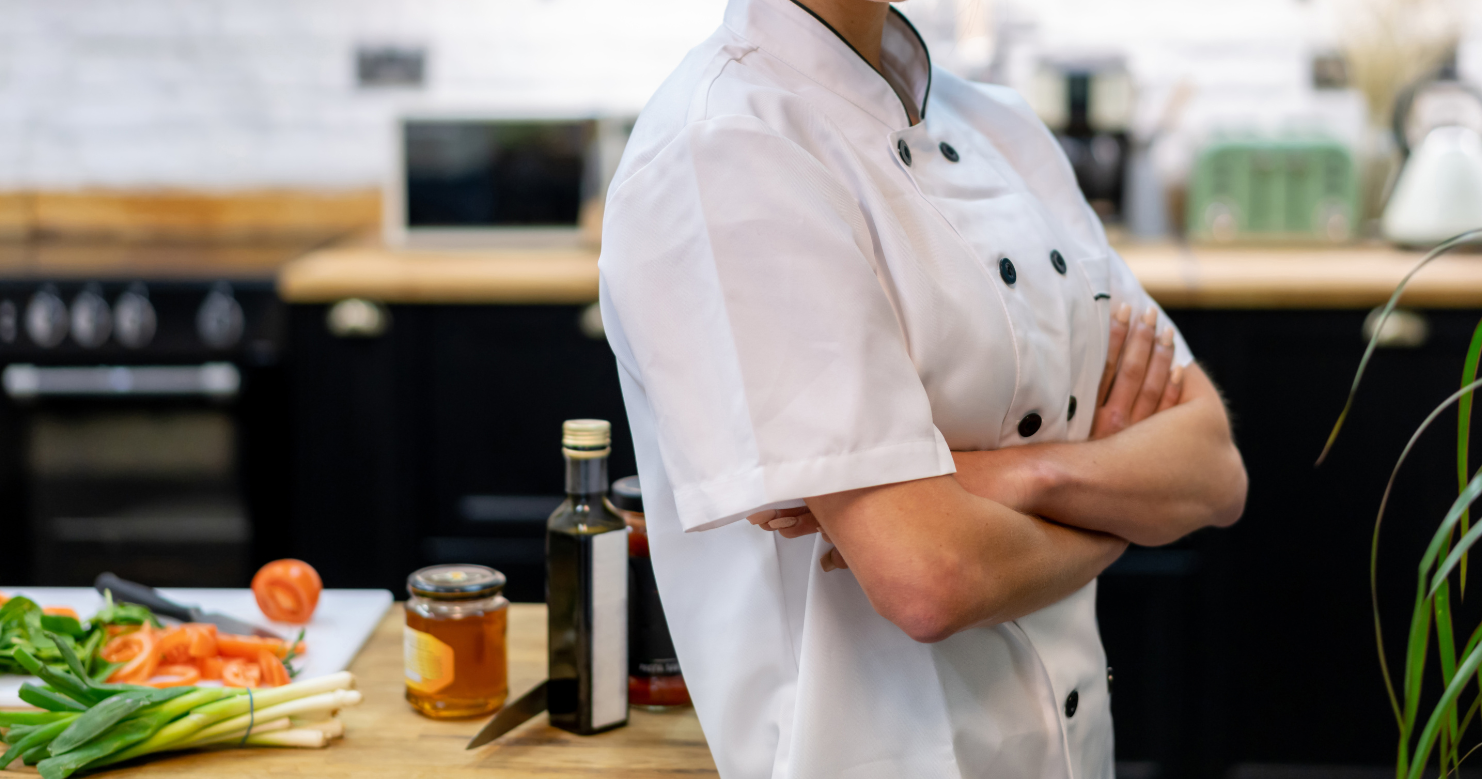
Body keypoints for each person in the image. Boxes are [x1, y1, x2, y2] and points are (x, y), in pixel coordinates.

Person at [596, 0, 1249, 775]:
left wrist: (999, 478)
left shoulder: (1001, 127)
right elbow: (932, 578)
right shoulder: (724, 146)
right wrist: (1128, 509)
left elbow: (1214, 470)